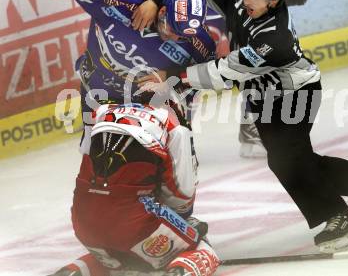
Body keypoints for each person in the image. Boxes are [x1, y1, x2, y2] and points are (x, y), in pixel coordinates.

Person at [130, 0, 348, 252]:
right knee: (296, 161)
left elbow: (224, 71)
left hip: (295, 94)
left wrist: (173, 77)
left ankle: (338, 217)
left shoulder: (274, 40)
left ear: (275, 0)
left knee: (288, 160)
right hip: (262, 96)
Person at [137, 0, 309, 158]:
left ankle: (257, 126)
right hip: (186, 3)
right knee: (180, 69)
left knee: (260, 61)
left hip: (235, 1)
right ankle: (171, 134)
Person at [48, 103, 220, 276]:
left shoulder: (101, 111)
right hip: (132, 222)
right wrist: (183, 224)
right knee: (201, 248)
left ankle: (72, 272)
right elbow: (181, 196)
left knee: (121, 262)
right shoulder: (171, 123)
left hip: (82, 218)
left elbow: (87, 158)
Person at [72, 0, 216, 154]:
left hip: (149, 100)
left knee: (174, 153)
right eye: (174, 29)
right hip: (99, 86)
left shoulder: (201, 44)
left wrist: (172, 77)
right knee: (90, 151)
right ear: (162, 11)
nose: (176, 38)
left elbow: (204, 78)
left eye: (184, 36)